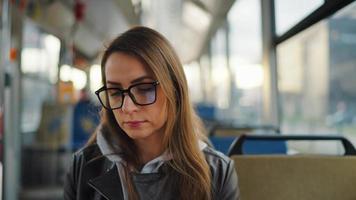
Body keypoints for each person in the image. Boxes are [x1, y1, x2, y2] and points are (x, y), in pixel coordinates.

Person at [64, 26, 239, 200]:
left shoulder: (218, 173)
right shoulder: (83, 167)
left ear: (175, 91)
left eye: (144, 89)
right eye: (115, 92)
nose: (127, 107)